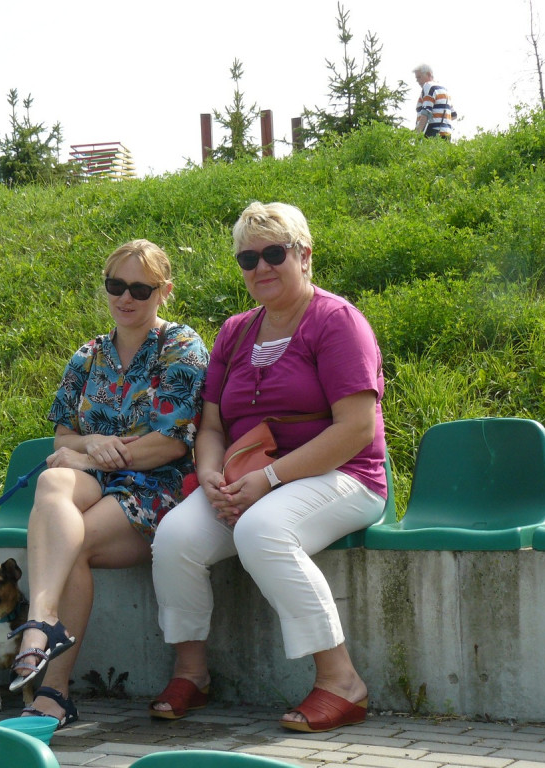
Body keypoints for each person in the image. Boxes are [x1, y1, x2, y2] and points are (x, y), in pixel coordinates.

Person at [149, 202, 387, 733]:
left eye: (274, 253)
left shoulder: (337, 321)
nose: (261, 267)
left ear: (304, 255)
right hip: (248, 478)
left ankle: (342, 681)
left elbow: (354, 429)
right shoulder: (235, 331)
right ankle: (192, 673)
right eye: (248, 258)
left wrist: (269, 480)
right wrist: (211, 474)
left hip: (345, 476)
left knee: (263, 530)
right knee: (175, 536)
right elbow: (211, 425)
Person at [9, 239, 209, 728]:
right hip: (94, 478)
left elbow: (171, 444)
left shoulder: (180, 346)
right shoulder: (87, 356)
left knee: (70, 543)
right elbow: (64, 435)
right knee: (53, 483)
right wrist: (92, 441)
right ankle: (41, 621)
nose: (126, 298)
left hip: (154, 487)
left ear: (164, 292)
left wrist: (93, 452)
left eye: (140, 288)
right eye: (116, 285)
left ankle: (53, 691)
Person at [413, 63, 457, 139]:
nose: (417, 81)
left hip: (431, 133)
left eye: (419, 77)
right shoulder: (444, 90)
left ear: (429, 74)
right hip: (446, 135)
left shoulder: (428, 86)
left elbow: (426, 112)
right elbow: (453, 115)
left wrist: (417, 134)